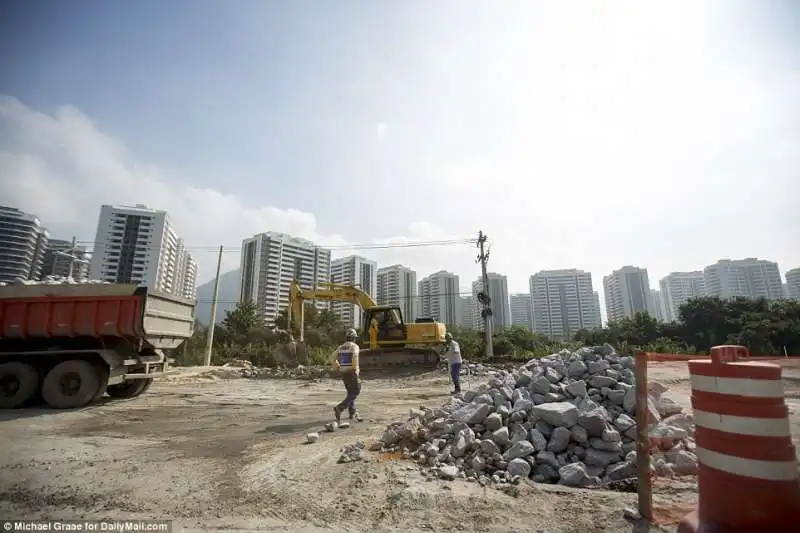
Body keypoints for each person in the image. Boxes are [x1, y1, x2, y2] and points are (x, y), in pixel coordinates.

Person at [332, 328, 363, 423]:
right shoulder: (354, 346)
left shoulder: (340, 347)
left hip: (344, 372)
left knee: (350, 392)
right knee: (356, 391)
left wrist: (337, 368)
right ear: (354, 338)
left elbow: (333, 358)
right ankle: (340, 407)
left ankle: (352, 412)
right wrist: (354, 369)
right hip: (351, 372)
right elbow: (354, 356)